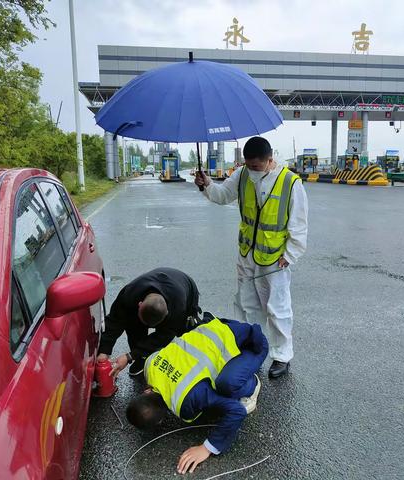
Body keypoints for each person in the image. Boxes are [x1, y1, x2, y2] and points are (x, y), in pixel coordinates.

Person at [194, 137, 308, 378]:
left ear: (269, 160)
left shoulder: (290, 183)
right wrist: (206, 185)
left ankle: (282, 356)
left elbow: (299, 224)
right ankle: (250, 348)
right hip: (247, 254)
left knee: (277, 308)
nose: (252, 170)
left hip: (275, 258)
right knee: (245, 305)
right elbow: (223, 195)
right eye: (248, 165)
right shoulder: (243, 174)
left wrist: (291, 254)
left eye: (256, 166)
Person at [126, 315, 268, 474]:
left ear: (160, 420)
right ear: (146, 391)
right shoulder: (151, 365)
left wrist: (207, 447)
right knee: (212, 387)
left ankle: (251, 385)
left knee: (227, 385)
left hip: (251, 343)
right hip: (221, 326)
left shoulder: (188, 398)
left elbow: (236, 411)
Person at [97, 267, 201, 377]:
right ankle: (142, 358)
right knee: (133, 324)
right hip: (149, 287)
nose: (146, 327)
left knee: (181, 334)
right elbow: (115, 321)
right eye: (144, 322)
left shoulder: (178, 308)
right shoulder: (129, 294)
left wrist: (128, 357)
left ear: (167, 314)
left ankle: (174, 363)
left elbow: (165, 336)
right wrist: (104, 351)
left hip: (185, 286)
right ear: (139, 304)